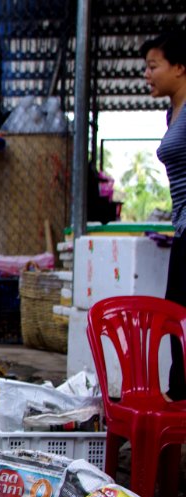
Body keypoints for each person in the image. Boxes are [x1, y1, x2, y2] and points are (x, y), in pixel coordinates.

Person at [142, 30, 186, 399]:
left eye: (154, 65)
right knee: (175, 317)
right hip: (183, 229)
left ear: (181, 66)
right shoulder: (173, 111)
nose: (147, 74)